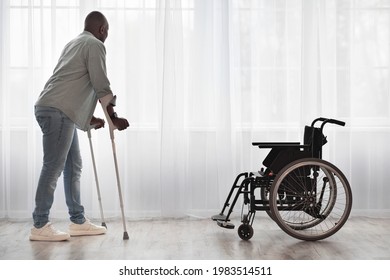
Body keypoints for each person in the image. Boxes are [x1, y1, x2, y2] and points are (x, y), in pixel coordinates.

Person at [30, 11, 129, 241]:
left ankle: (78, 221)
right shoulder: (95, 44)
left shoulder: (73, 43)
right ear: (102, 29)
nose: (107, 36)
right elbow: (100, 83)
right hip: (58, 112)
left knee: (74, 165)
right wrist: (113, 116)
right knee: (53, 167)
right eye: (107, 32)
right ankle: (39, 225)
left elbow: (73, 82)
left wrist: (88, 118)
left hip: (57, 109)